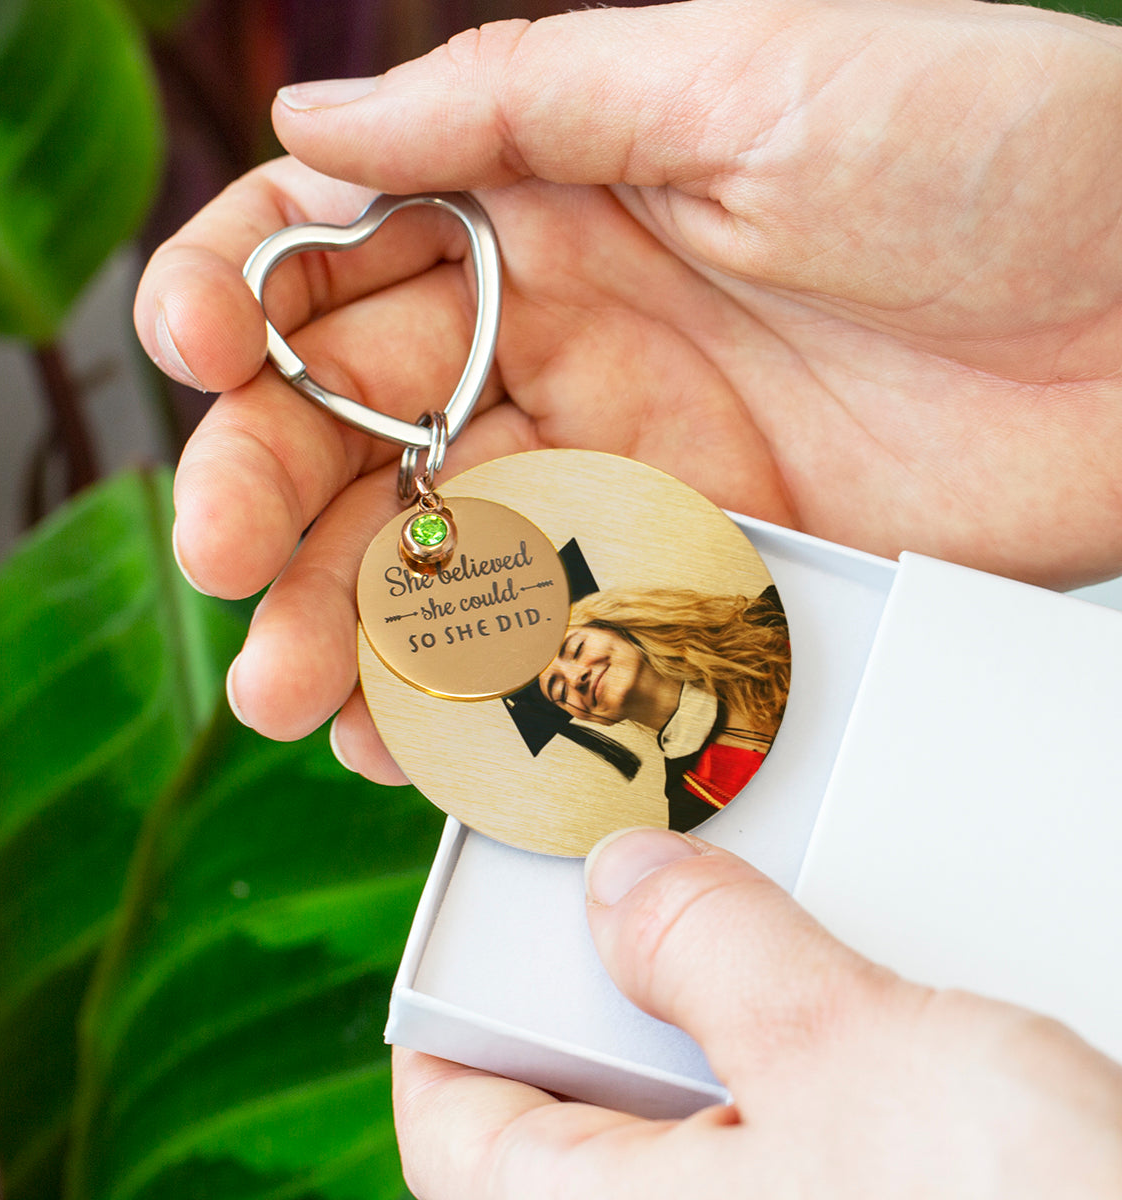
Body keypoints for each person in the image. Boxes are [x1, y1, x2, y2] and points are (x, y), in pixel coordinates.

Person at [134, 0, 1122, 1193]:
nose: (567, 673)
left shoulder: (742, 676)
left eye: (570, 652)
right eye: (557, 683)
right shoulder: (646, 773)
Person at [537, 586, 789, 827]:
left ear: (617, 627)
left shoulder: (779, 614)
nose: (575, 678)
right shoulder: (691, 811)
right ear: (593, 718)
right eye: (560, 690)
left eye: (575, 649)